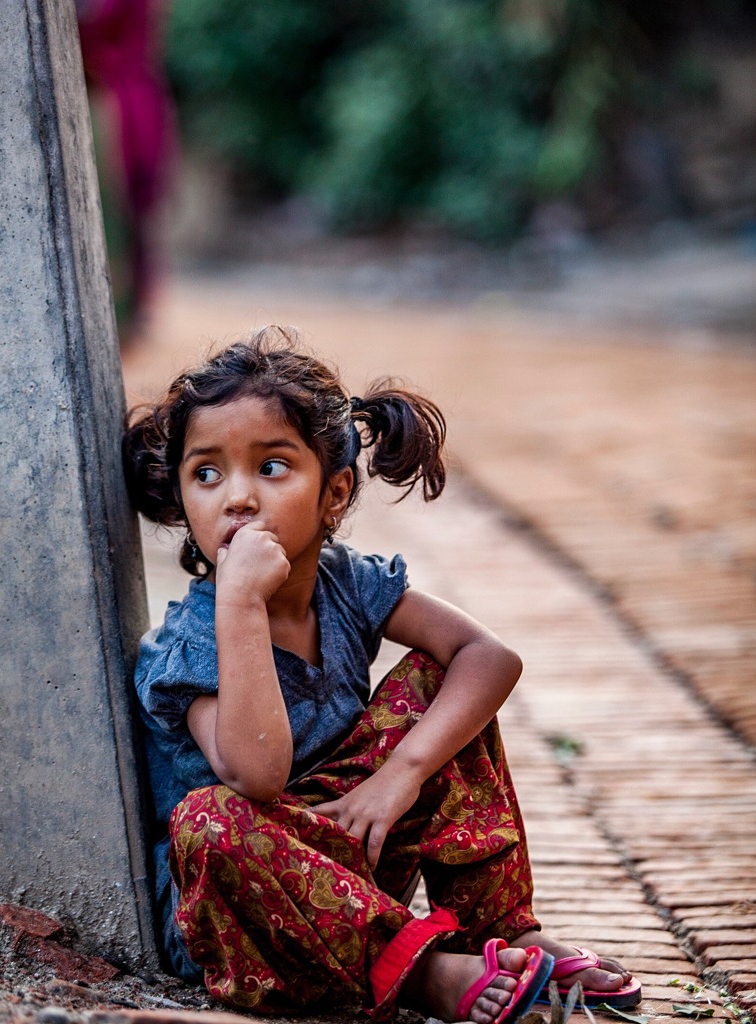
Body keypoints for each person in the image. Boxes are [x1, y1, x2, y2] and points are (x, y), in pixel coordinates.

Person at [123, 326, 641, 1022]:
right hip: (243, 908)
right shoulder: (189, 642)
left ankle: (500, 927)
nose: (236, 498)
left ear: (333, 494)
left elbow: (489, 658)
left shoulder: (345, 584)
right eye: (206, 473)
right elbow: (257, 777)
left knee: (440, 683)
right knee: (207, 819)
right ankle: (423, 973)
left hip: (355, 845)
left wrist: (399, 775)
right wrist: (241, 601)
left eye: (271, 467)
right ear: (183, 501)